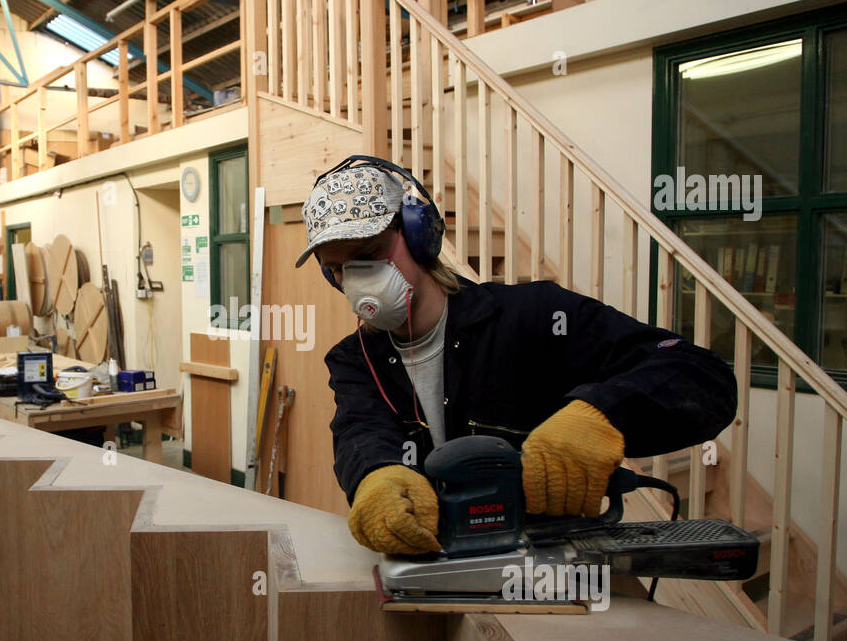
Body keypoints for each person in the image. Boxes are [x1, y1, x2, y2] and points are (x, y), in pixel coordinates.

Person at [296, 157, 738, 555]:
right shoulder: (356, 360)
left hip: (548, 567)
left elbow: (702, 375)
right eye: (338, 270)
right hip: (435, 565)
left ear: (417, 235)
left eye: (368, 256)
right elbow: (360, 434)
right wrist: (375, 477)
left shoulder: (534, 317)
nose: (356, 282)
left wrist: (601, 415)